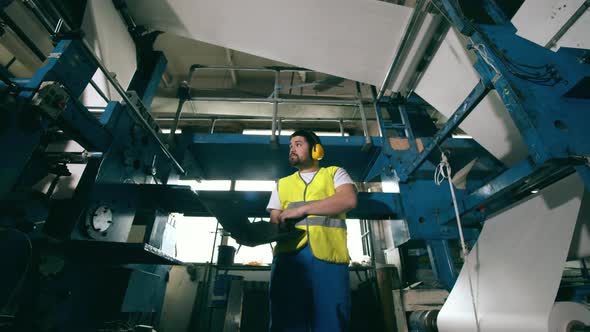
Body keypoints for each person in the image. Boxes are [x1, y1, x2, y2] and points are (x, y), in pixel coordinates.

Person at [266, 129, 358, 331]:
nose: (292, 149)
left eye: (298, 144)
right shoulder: (282, 184)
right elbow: (275, 219)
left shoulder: (334, 173)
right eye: (290, 146)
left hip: (328, 259)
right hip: (289, 259)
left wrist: (301, 210)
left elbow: (348, 200)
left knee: (331, 321)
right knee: (285, 321)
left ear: (316, 150)